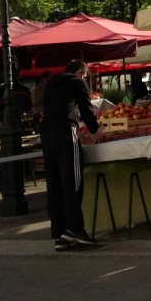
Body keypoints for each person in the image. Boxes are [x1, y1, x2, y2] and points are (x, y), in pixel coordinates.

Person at [39, 60, 101, 250]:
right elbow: (86, 110)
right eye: (85, 76)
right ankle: (74, 228)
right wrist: (95, 130)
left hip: (47, 135)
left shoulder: (51, 85)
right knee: (72, 180)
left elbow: (56, 111)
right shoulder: (77, 82)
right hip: (66, 133)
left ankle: (60, 231)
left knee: (55, 181)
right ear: (80, 73)